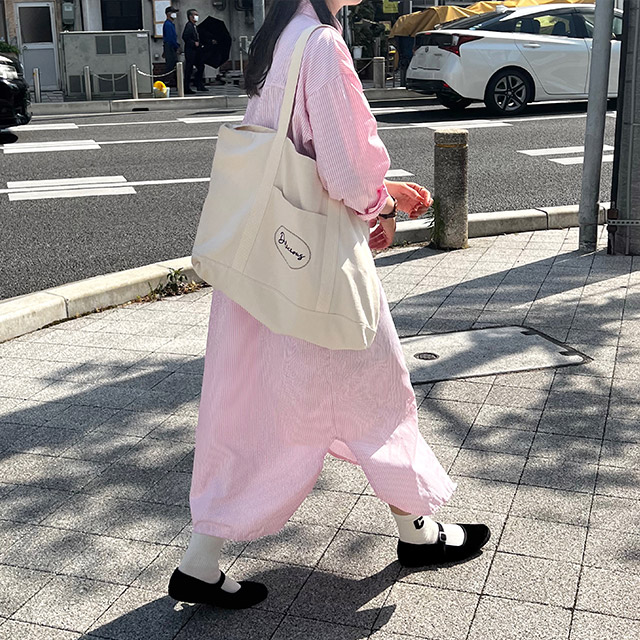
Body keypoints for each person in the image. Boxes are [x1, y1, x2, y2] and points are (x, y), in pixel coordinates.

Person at [168, 0, 491, 610]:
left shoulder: (282, 36)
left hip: (269, 268)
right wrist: (383, 203)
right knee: (379, 393)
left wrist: (376, 194)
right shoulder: (321, 43)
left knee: (251, 410)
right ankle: (417, 533)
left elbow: (302, 149)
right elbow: (344, 168)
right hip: (318, 272)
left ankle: (201, 562)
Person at [182, 8, 207, 94]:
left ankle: (199, 84)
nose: (197, 16)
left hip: (197, 51)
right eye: (195, 15)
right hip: (191, 51)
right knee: (189, 69)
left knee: (201, 66)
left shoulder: (194, 26)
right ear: (190, 16)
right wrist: (193, 43)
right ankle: (186, 87)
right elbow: (185, 37)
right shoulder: (189, 26)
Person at [162, 6, 180, 76]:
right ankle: (172, 80)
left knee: (173, 65)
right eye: (173, 12)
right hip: (170, 47)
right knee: (172, 66)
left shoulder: (170, 24)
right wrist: (176, 47)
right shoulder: (168, 24)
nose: (175, 14)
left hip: (170, 47)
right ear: (168, 14)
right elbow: (170, 38)